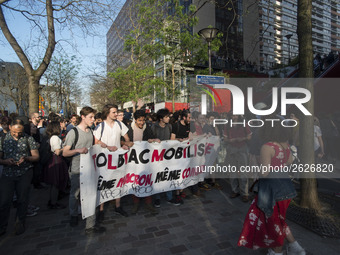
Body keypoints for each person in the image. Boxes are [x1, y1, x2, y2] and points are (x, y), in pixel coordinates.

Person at [238, 115, 306, 255]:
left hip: (271, 189)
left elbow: (264, 172)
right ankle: (295, 247)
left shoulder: (267, 147)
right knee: (280, 220)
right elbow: (287, 162)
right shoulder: (285, 145)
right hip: (286, 187)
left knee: (274, 223)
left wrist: (254, 168)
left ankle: (277, 251)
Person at [63, 106, 106, 235]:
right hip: (77, 169)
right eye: (90, 117)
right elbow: (65, 152)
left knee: (90, 194)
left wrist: (104, 145)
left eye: (93, 117)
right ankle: (73, 215)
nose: (93, 120)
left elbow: (94, 144)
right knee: (75, 194)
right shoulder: (73, 133)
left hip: (90, 168)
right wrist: (77, 150)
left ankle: (90, 225)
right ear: (83, 117)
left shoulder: (91, 131)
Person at [93, 104, 133, 221]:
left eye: (116, 112)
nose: (116, 114)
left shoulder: (120, 124)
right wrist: (107, 146)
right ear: (107, 113)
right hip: (104, 160)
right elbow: (96, 142)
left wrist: (124, 144)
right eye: (114, 112)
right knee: (103, 183)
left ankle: (118, 206)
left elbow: (127, 139)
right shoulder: (101, 126)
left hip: (117, 159)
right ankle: (101, 209)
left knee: (118, 180)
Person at [0, 118, 39, 236]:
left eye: (20, 132)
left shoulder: (28, 138)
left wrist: (26, 158)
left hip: (24, 172)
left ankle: (20, 222)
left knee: (22, 199)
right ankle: (2, 226)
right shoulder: (2, 139)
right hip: (8, 174)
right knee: (5, 201)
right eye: (14, 132)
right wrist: (6, 161)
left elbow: (36, 156)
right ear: (10, 127)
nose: (17, 134)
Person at [127, 110, 160, 215]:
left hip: (145, 160)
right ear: (135, 120)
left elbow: (152, 139)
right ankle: (136, 203)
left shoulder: (148, 128)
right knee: (135, 181)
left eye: (143, 120)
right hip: (133, 161)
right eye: (139, 120)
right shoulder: (129, 129)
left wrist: (154, 140)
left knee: (146, 180)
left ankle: (148, 202)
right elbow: (122, 141)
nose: (142, 122)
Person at [152, 108, 180, 207]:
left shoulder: (169, 126)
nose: (169, 118)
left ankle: (169, 197)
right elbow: (148, 140)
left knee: (169, 175)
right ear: (161, 118)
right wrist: (154, 140)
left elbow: (171, 139)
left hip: (168, 156)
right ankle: (157, 198)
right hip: (156, 157)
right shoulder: (153, 127)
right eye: (166, 117)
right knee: (157, 176)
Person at [224, 114, 252, 202]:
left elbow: (249, 136)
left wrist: (242, 138)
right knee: (233, 170)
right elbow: (225, 139)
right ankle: (235, 190)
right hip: (232, 148)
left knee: (243, 171)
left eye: (236, 115)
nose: (234, 117)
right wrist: (230, 140)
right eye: (232, 115)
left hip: (242, 148)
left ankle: (245, 193)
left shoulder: (244, 124)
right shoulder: (227, 125)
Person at [42, 121, 68, 209]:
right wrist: (64, 148)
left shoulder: (52, 137)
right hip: (56, 160)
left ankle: (53, 200)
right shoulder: (55, 137)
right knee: (55, 182)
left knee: (55, 182)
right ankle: (53, 202)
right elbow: (57, 151)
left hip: (53, 159)